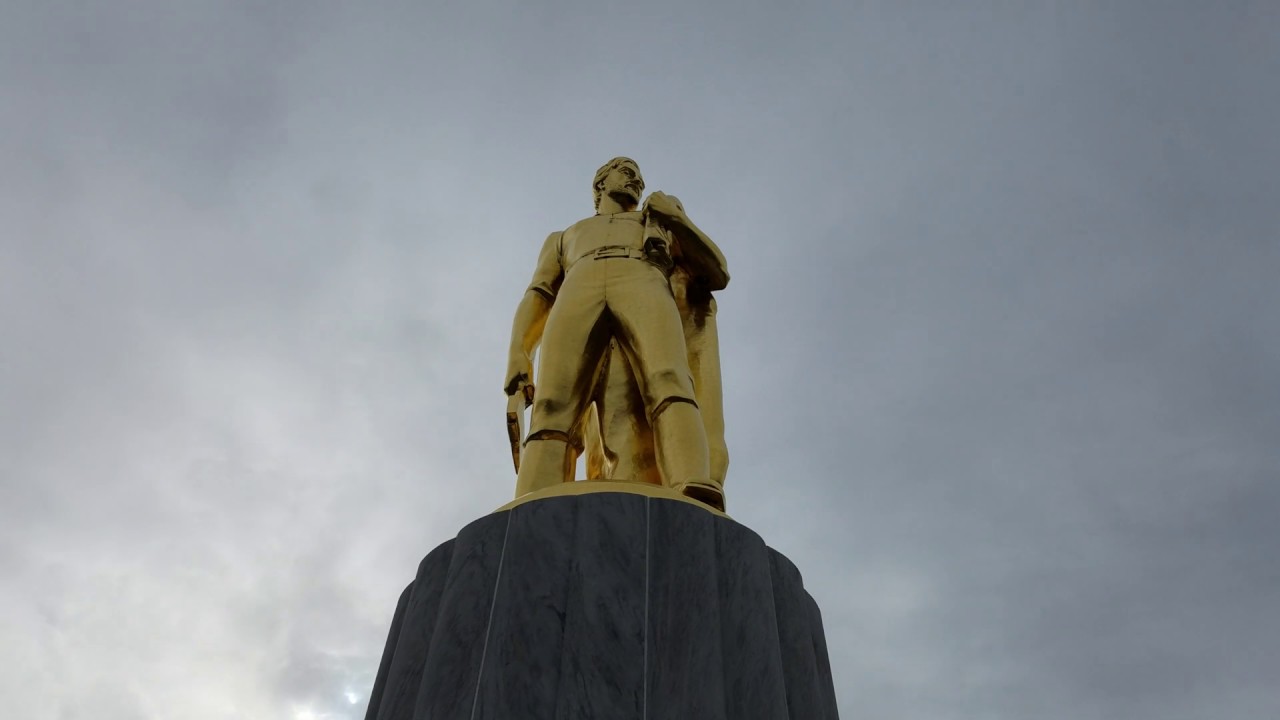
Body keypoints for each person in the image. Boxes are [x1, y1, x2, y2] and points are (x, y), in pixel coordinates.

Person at [505, 157, 729, 509]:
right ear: (600, 184)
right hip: (579, 286)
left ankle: (690, 482)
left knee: (668, 376)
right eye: (627, 173)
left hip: (643, 278)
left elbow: (718, 273)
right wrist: (519, 350)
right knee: (552, 402)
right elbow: (539, 293)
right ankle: (532, 500)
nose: (636, 182)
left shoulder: (657, 224)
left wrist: (675, 218)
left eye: (639, 178)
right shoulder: (564, 238)